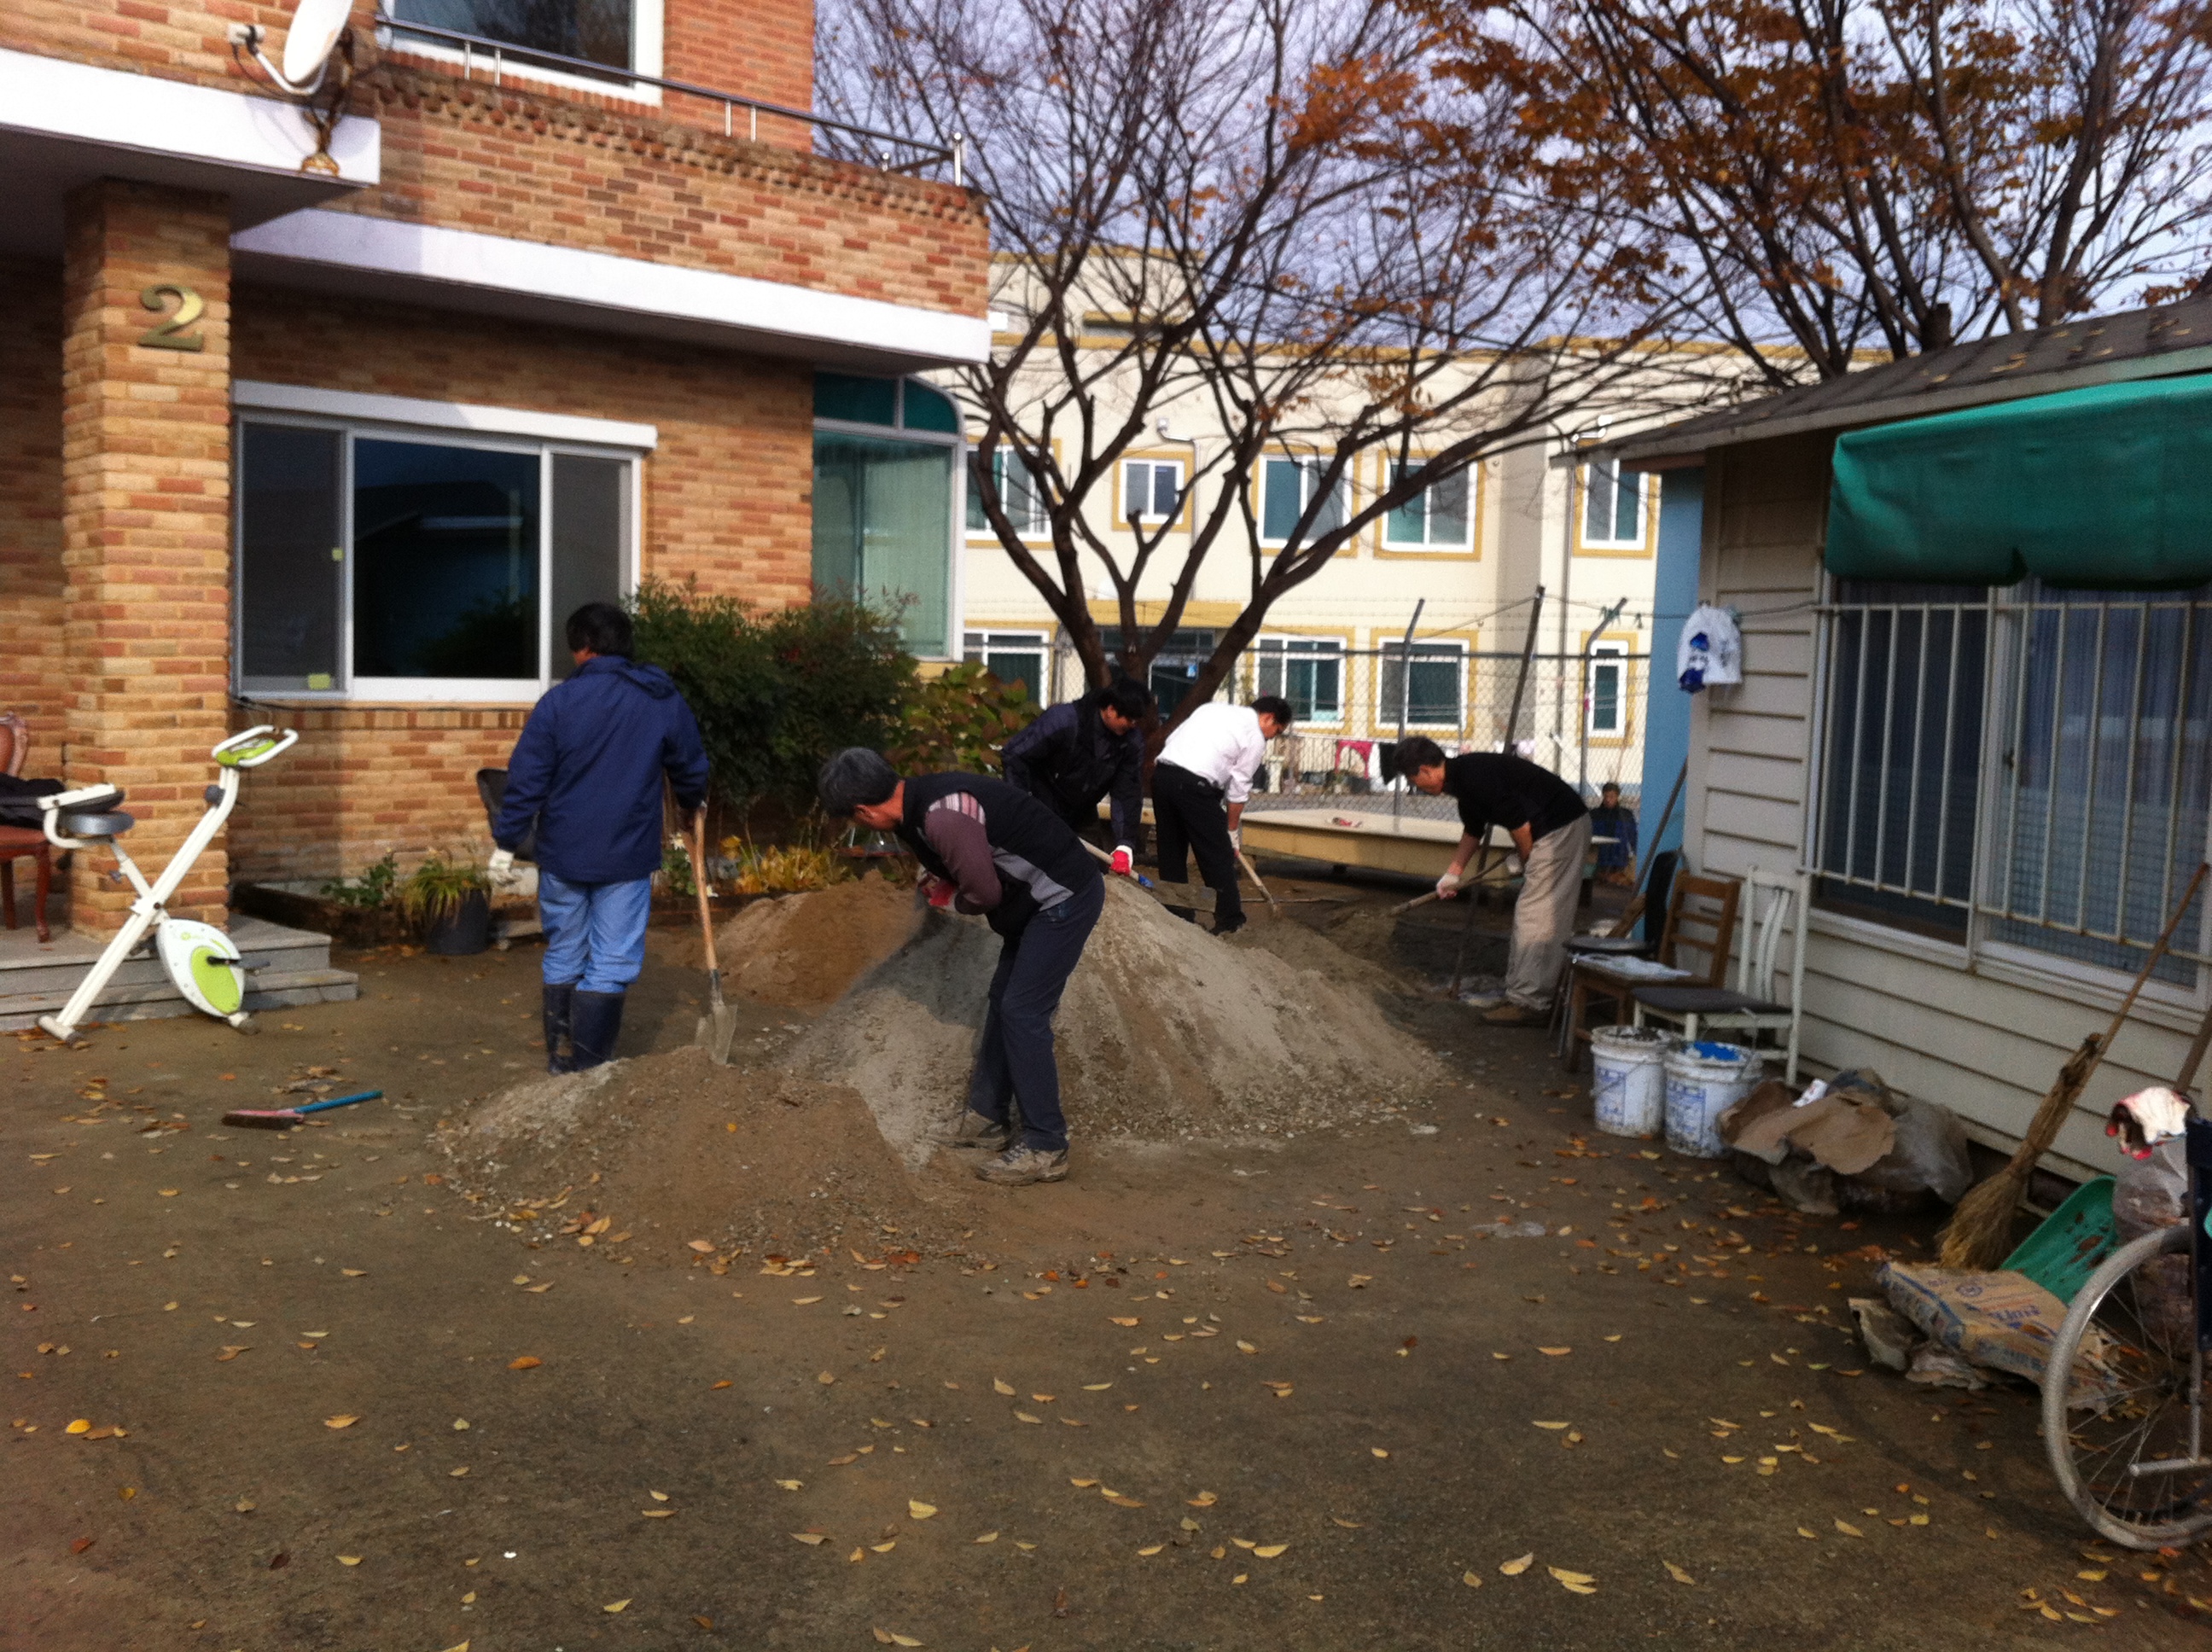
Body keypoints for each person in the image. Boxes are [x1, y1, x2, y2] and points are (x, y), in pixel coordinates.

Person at [818, 747, 1103, 1187]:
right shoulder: (919, 803)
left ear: (864, 811)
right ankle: (989, 1118)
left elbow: (985, 894)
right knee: (1004, 1002)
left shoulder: (941, 816)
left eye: (854, 820)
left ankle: (1047, 1145)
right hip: (1033, 899)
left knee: (1023, 1011)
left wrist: (951, 900)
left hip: (1061, 897)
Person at [489, 602, 709, 1073]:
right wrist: (693, 802)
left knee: (565, 948)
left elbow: (526, 780)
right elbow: (690, 765)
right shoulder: (659, 698)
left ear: (582, 649)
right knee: (611, 958)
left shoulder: (558, 703)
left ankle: (561, 1058)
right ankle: (590, 1067)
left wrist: (507, 841)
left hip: (563, 853)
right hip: (626, 855)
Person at [1398, 736, 1591, 1026]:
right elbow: (1473, 830)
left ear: (1426, 770)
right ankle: (1521, 994)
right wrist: (1453, 874)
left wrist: (1528, 864)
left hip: (1561, 827)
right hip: (1549, 828)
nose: (1417, 788)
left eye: (1414, 780)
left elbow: (1521, 827)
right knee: (1530, 914)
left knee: (1537, 915)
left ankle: (1532, 1003)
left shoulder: (1475, 778)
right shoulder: (1463, 782)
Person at [1150, 695, 1293, 936]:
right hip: (1194, 786)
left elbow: (1174, 739)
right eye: (1276, 731)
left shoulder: (1211, 709)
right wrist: (1231, 832)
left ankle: (1176, 915)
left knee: (1171, 852)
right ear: (1268, 718)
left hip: (1163, 777)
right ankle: (1230, 923)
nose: (1272, 738)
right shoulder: (1254, 736)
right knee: (1218, 855)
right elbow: (1239, 789)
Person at [998, 676, 1150, 871]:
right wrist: (1022, 802)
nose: (1133, 725)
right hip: (1040, 801)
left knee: (1091, 869)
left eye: (1137, 721)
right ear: (1111, 710)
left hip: (1081, 810)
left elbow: (1127, 791)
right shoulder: (1064, 720)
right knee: (1028, 863)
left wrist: (1124, 845)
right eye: (1129, 719)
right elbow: (1015, 755)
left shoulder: (1131, 742)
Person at [1590, 781, 1639, 886]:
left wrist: (1634, 855)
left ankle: (1612, 876)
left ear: (1617, 796)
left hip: (1620, 859)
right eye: (1606, 796)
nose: (1608, 800)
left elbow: (1633, 837)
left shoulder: (1626, 815)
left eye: (1611, 796)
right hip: (1600, 858)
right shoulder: (1595, 815)